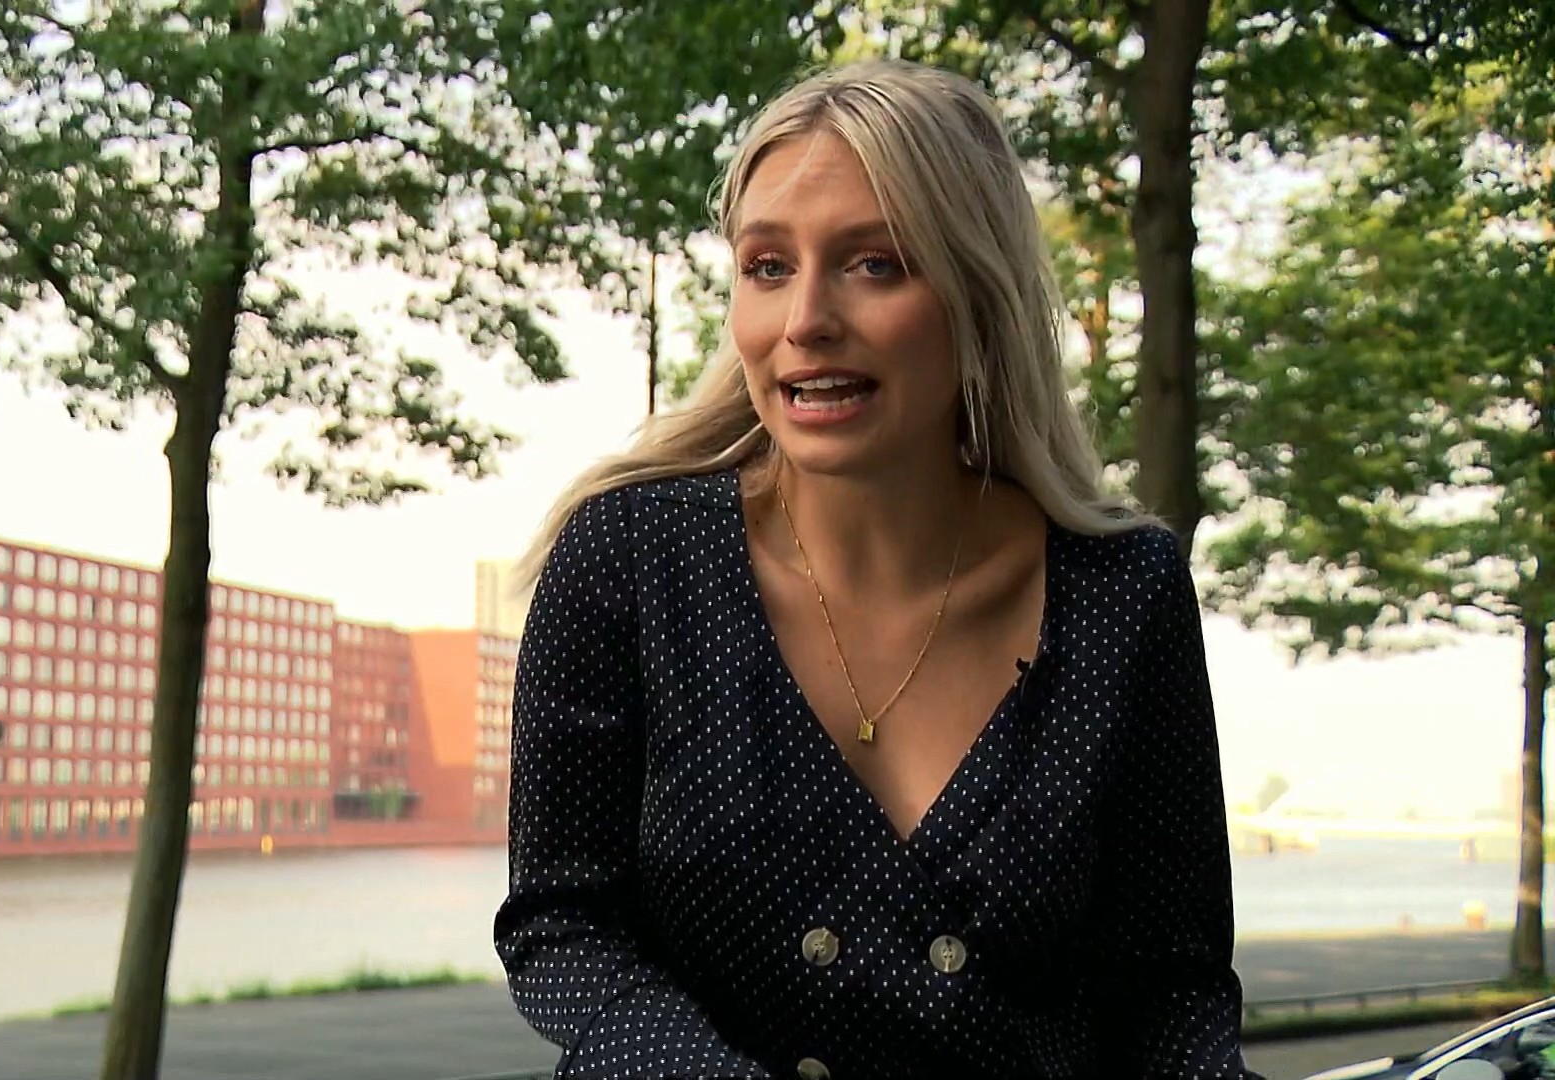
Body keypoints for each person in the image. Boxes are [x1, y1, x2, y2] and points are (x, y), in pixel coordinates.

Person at [491, 57, 1259, 1080]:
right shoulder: (627, 558)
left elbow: (1173, 993)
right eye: (768, 266)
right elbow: (560, 926)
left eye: (875, 264)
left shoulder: (1125, 593)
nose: (805, 319)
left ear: (978, 292)